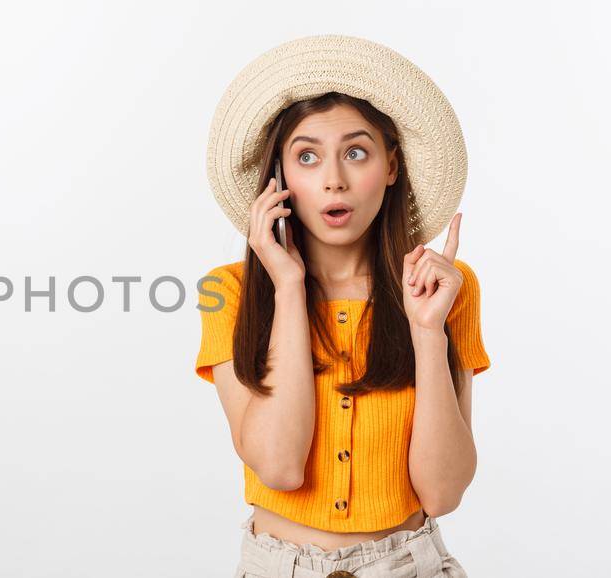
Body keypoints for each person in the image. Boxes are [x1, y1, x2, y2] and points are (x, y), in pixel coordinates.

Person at [196, 35, 489, 578]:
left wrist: (428, 333)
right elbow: (279, 467)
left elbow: (443, 493)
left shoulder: (446, 288)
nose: (334, 179)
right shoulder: (230, 293)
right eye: (307, 157)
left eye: (357, 153)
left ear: (393, 166)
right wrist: (287, 289)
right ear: (278, 181)